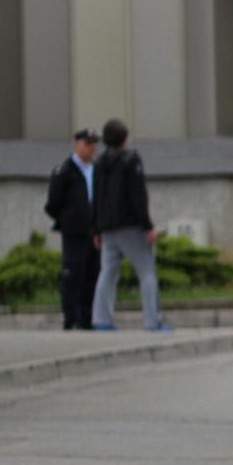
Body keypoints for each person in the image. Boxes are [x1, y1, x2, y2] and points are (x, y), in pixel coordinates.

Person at [89, 119, 167, 333]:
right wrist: (147, 225)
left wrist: (96, 228)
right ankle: (152, 321)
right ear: (124, 138)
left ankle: (101, 320)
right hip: (131, 226)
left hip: (107, 228)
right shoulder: (131, 160)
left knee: (107, 273)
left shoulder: (98, 163)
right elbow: (138, 195)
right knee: (147, 271)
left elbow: (96, 197)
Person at [45, 128, 102, 331]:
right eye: (87, 143)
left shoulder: (97, 170)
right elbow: (52, 204)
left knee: (92, 276)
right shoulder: (64, 171)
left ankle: (88, 318)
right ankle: (71, 318)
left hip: (94, 233)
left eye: (94, 143)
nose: (91, 148)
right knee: (73, 275)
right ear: (77, 144)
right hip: (74, 233)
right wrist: (69, 220)